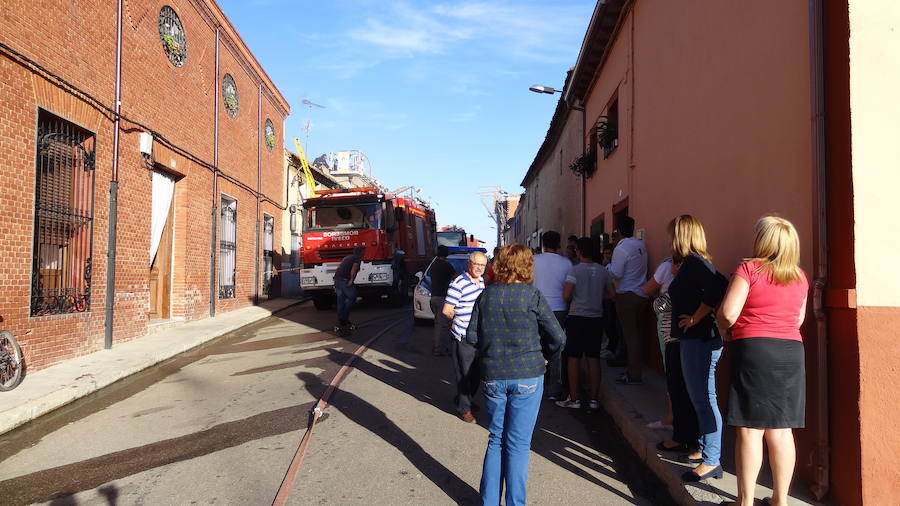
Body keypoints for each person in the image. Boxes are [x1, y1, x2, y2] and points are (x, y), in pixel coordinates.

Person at [717, 217, 809, 506]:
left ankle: (744, 502)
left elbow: (729, 313)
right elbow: (799, 319)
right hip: (792, 352)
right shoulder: (800, 276)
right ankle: (780, 500)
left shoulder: (749, 269)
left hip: (755, 350)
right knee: (781, 430)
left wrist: (723, 328)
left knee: (750, 428)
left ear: (763, 241)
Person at [466, 244, 565, 506]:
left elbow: (471, 336)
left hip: (493, 375)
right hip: (528, 375)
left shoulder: (486, 296)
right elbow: (558, 336)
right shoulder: (532, 296)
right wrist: (546, 357)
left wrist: (491, 347)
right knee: (518, 444)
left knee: (496, 439)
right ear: (526, 266)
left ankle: (488, 502)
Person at [667, 215, 728, 482]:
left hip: (700, 339)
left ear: (681, 235)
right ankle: (704, 451)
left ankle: (712, 460)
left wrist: (696, 317)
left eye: (673, 234)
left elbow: (719, 285)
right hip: (696, 339)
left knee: (704, 399)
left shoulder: (693, 261)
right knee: (700, 398)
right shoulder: (692, 263)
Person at [556, 237, 614, 410]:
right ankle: (594, 399)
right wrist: (597, 296)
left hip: (577, 317)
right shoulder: (603, 271)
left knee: (573, 358)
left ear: (579, 252)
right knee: (593, 358)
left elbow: (566, 295)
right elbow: (612, 294)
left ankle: (575, 399)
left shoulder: (575, 271)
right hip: (596, 318)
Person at [442, 251, 487, 422]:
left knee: (476, 374)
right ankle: (464, 408)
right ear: (469, 264)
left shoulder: (481, 281)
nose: (479, 268)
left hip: (478, 336)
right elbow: (447, 310)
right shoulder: (459, 283)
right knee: (465, 374)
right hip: (463, 336)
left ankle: (465, 399)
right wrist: (459, 319)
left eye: (482, 265)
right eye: (476, 264)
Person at [606, 215, 649, 384]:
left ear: (619, 231)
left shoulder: (621, 248)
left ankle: (634, 373)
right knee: (636, 335)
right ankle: (633, 368)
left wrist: (607, 266)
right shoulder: (641, 245)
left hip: (627, 295)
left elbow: (616, 273)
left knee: (630, 336)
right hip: (642, 293)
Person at [532, 231, 572, 401]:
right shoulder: (567, 263)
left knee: (536, 347)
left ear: (543, 244)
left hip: (537, 308)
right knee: (557, 349)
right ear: (559, 244)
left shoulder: (534, 261)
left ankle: (534, 386)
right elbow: (569, 289)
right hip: (559, 309)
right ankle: (554, 389)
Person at [428, 245, 457, 356]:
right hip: (442, 298)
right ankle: (438, 348)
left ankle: (439, 346)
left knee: (438, 323)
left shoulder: (433, 265)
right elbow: (455, 277)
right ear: (446, 254)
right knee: (442, 325)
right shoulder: (446, 265)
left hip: (433, 297)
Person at [333, 246, 365, 332]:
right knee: (352, 298)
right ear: (361, 252)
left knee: (341, 300)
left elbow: (338, 268)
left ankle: (342, 321)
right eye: (363, 252)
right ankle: (344, 319)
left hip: (337, 280)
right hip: (344, 281)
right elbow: (354, 269)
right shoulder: (357, 259)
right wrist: (351, 280)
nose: (364, 254)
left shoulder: (347, 257)